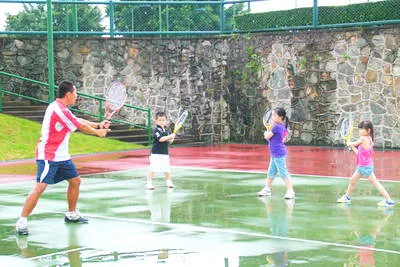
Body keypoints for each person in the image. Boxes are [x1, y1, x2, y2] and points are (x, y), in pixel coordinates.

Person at [15, 81, 110, 235]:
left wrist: (98, 125)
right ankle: (22, 221)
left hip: (62, 156)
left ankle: (71, 214)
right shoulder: (57, 109)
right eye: (76, 94)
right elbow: (81, 127)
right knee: (40, 187)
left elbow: (78, 120)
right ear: (68, 94)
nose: (76, 97)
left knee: (75, 181)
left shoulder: (63, 109)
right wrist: (98, 133)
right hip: (48, 155)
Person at [337, 120, 394, 207]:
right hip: (362, 166)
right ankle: (347, 197)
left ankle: (389, 201)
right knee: (352, 180)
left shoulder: (363, 139)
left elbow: (354, 143)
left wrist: (350, 143)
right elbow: (358, 153)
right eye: (359, 129)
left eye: (362, 129)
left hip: (365, 167)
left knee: (376, 184)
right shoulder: (370, 139)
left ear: (368, 130)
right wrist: (352, 147)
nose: (360, 131)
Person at [258, 107, 295, 199]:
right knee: (271, 172)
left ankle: (290, 191)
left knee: (283, 173)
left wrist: (266, 133)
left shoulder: (277, 127)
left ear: (281, 117)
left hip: (278, 154)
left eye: (274, 115)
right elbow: (282, 138)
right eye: (272, 115)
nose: (272, 117)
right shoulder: (282, 126)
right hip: (275, 154)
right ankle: (267, 189)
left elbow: (267, 137)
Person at [146, 111, 176, 190]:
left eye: (163, 120)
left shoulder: (167, 130)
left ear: (166, 120)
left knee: (167, 168)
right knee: (153, 168)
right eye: (160, 120)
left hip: (165, 154)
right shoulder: (156, 130)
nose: (162, 122)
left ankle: (169, 182)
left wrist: (172, 138)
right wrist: (170, 136)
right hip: (156, 154)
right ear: (156, 121)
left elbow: (169, 141)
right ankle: (149, 183)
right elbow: (161, 139)